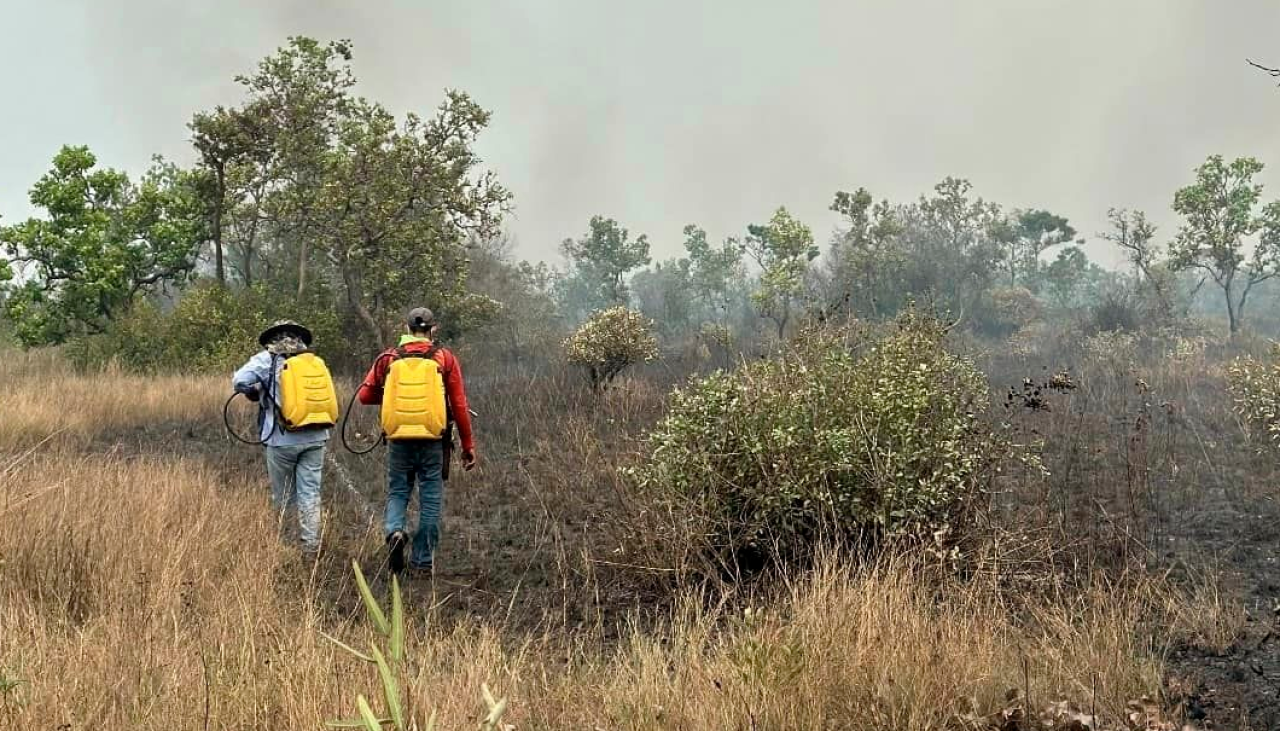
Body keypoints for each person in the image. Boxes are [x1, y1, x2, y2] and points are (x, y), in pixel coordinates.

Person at [357, 307, 477, 575]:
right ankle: (422, 562)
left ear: (407, 328)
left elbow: (364, 396)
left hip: (399, 440)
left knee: (399, 491)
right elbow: (459, 405)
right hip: (433, 441)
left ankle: (395, 532)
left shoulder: (388, 357)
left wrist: (392, 397)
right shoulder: (444, 358)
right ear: (433, 329)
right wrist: (468, 446)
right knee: (431, 498)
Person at [232, 319, 332, 557]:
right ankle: (310, 548)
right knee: (310, 493)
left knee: (284, 495)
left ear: (272, 338)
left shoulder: (267, 359)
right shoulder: (313, 361)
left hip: (281, 439)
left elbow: (239, 381)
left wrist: (255, 390)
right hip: (317, 436)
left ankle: (287, 546)